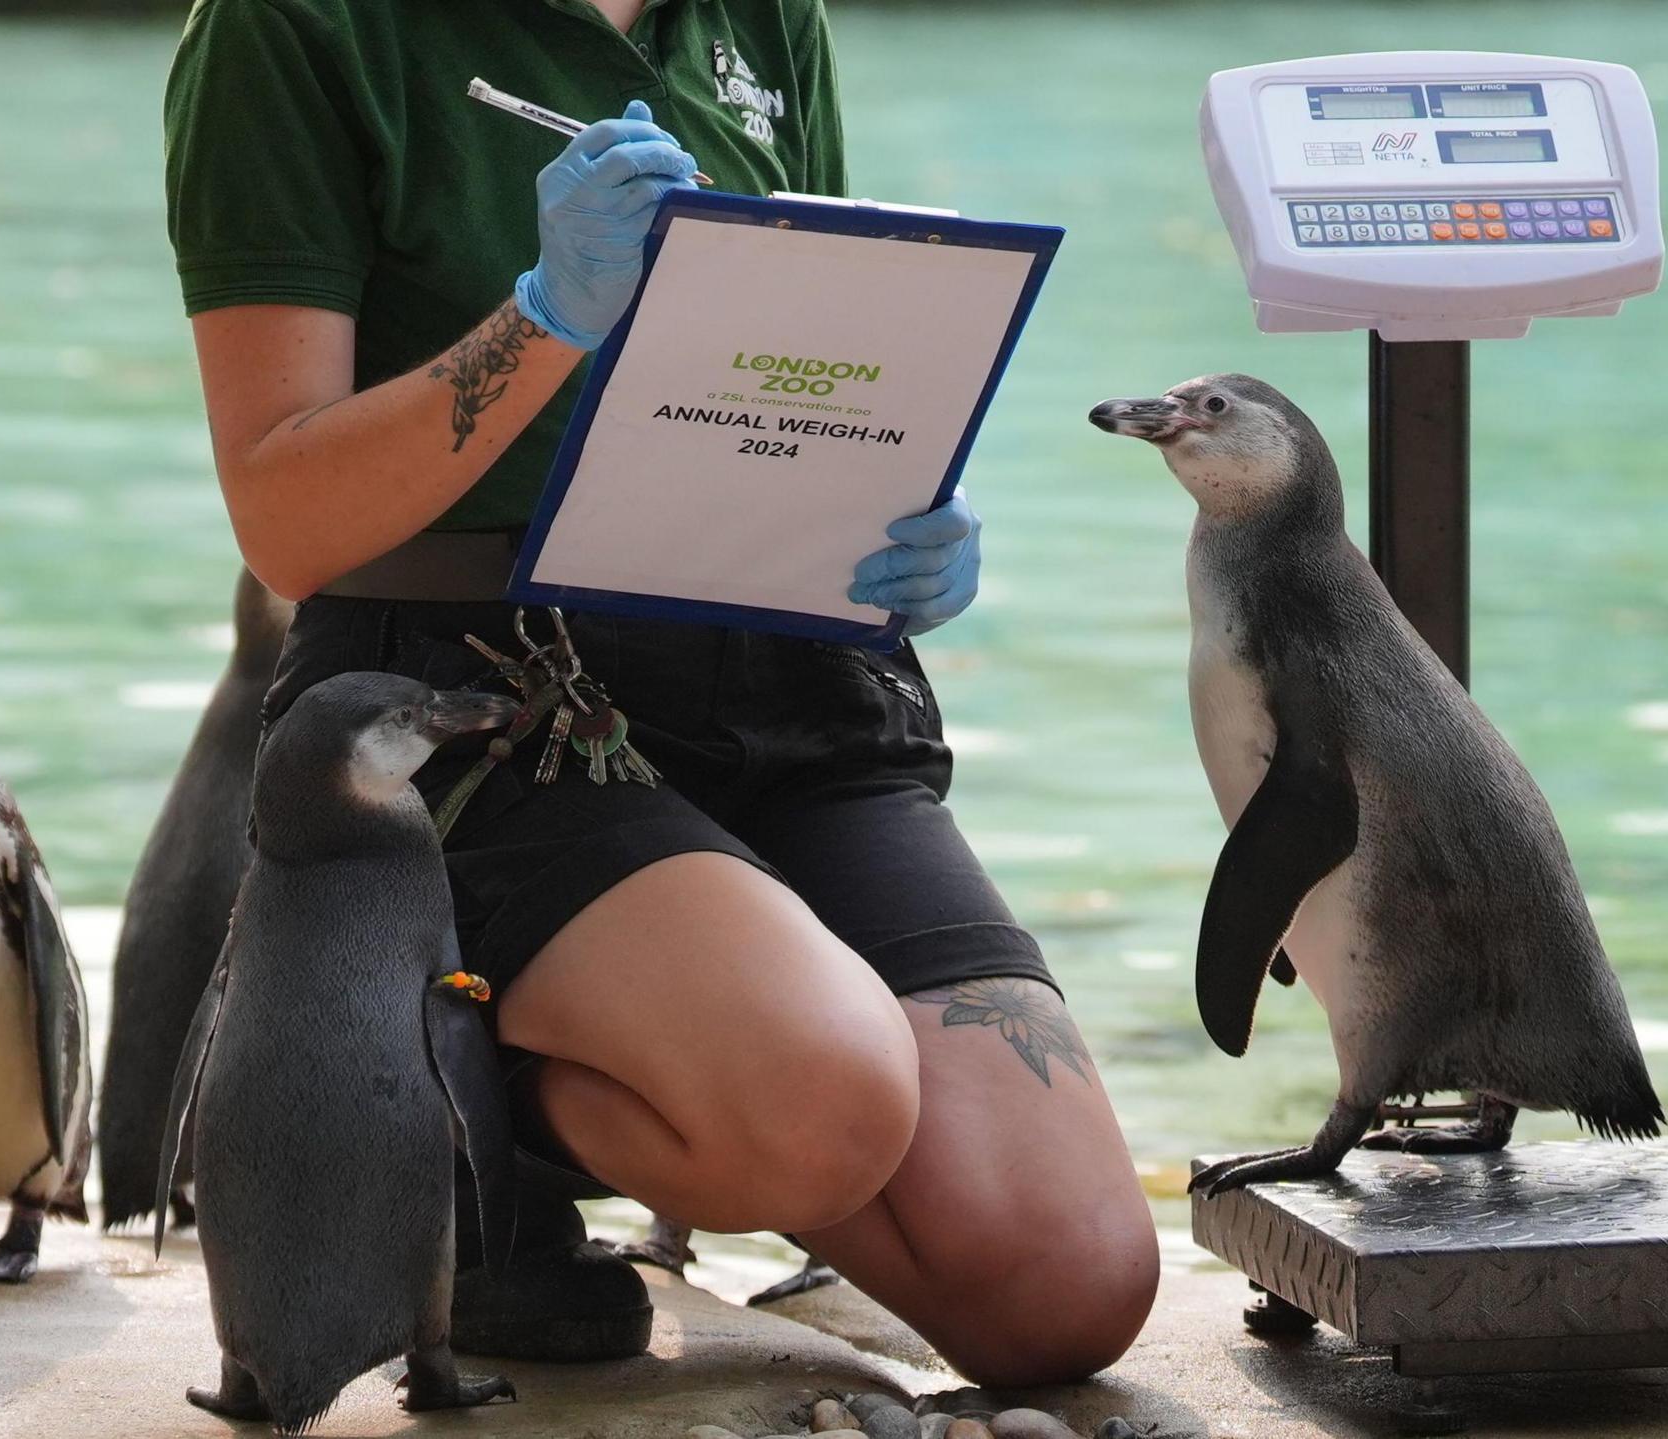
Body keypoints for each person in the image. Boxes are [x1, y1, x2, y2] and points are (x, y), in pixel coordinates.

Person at [162, 0, 1158, 1385]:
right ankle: (469, 1149)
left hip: (786, 668)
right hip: (481, 689)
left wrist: (899, 506)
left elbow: (810, 357)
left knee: (1068, 1289)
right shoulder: (291, 30)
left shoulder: (764, 18)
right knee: (819, 1104)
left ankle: (672, 1051)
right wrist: (545, 317)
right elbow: (285, 524)